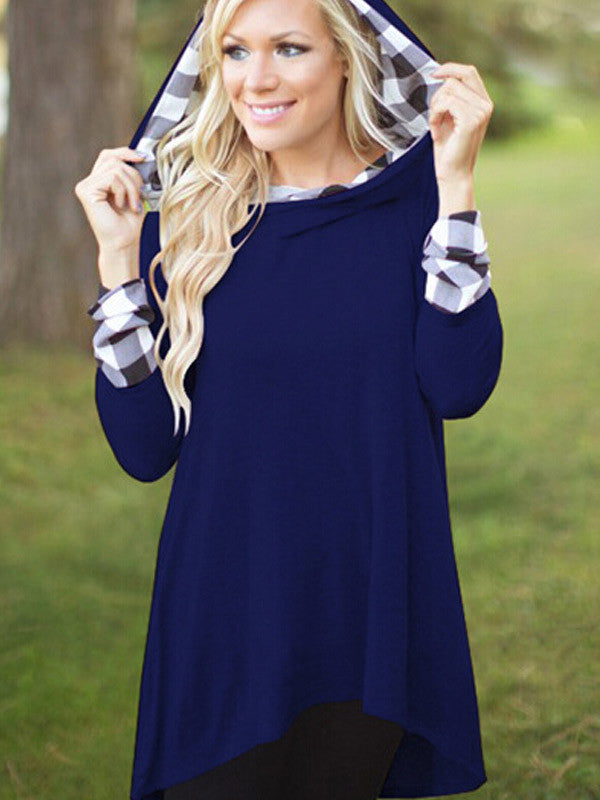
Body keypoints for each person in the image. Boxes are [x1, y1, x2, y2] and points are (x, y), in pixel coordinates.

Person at [74, 0, 503, 798]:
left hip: (367, 609)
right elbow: (144, 450)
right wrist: (117, 265)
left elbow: (459, 386)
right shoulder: (189, 223)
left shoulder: (412, 206)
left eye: (289, 48)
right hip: (223, 610)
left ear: (346, 57)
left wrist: (456, 185)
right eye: (235, 51)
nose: (256, 79)